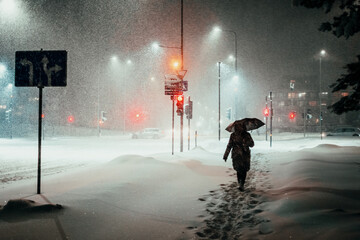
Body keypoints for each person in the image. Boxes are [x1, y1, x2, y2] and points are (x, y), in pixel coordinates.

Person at [223, 123, 254, 191]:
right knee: (241, 169)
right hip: (239, 155)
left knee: (241, 170)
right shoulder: (236, 135)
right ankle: (241, 183)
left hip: (240, 155)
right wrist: (225, 155)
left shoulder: (244, 135)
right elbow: (229, 145)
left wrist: (226, 155)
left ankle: (241, 183)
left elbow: (252, 144)